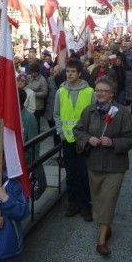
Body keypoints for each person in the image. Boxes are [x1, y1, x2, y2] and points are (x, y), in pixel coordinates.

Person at [73, 77, 132, 256]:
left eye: (104, 91)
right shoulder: (89, 111)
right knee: (99, 200)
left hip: (115, 166)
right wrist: (88, 139)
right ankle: (105, 227)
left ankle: (101, 241)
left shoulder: (123, 113)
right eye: (97, 90)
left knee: (108, 200)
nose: (100, 93)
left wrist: (113, 142)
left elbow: (131, 137)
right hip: (94, 163)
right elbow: (78, 130)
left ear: (112, 94)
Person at [53, 58, 95, 222]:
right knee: (70, 174)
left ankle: (85, 205)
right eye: (67, 71)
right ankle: (73, 203)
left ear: (79, 73)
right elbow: (57, 115)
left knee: (84, 174)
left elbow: (94, 115)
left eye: (72, 71)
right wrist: (61, 133)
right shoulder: (60, 91)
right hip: (68, 140)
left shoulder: (89, 92)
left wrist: (89, 137)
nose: (69, 74)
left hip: (84, 141)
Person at [26, 66, 48, 133]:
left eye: (35, 73)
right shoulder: (29, 77)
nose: (33, 74)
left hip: (37, 105)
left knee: (36, 122)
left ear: (38, 72)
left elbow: (45, 93)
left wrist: (34, 94)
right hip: (28, 104)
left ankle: (36, 135)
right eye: (32, 72)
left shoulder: (42, 80)